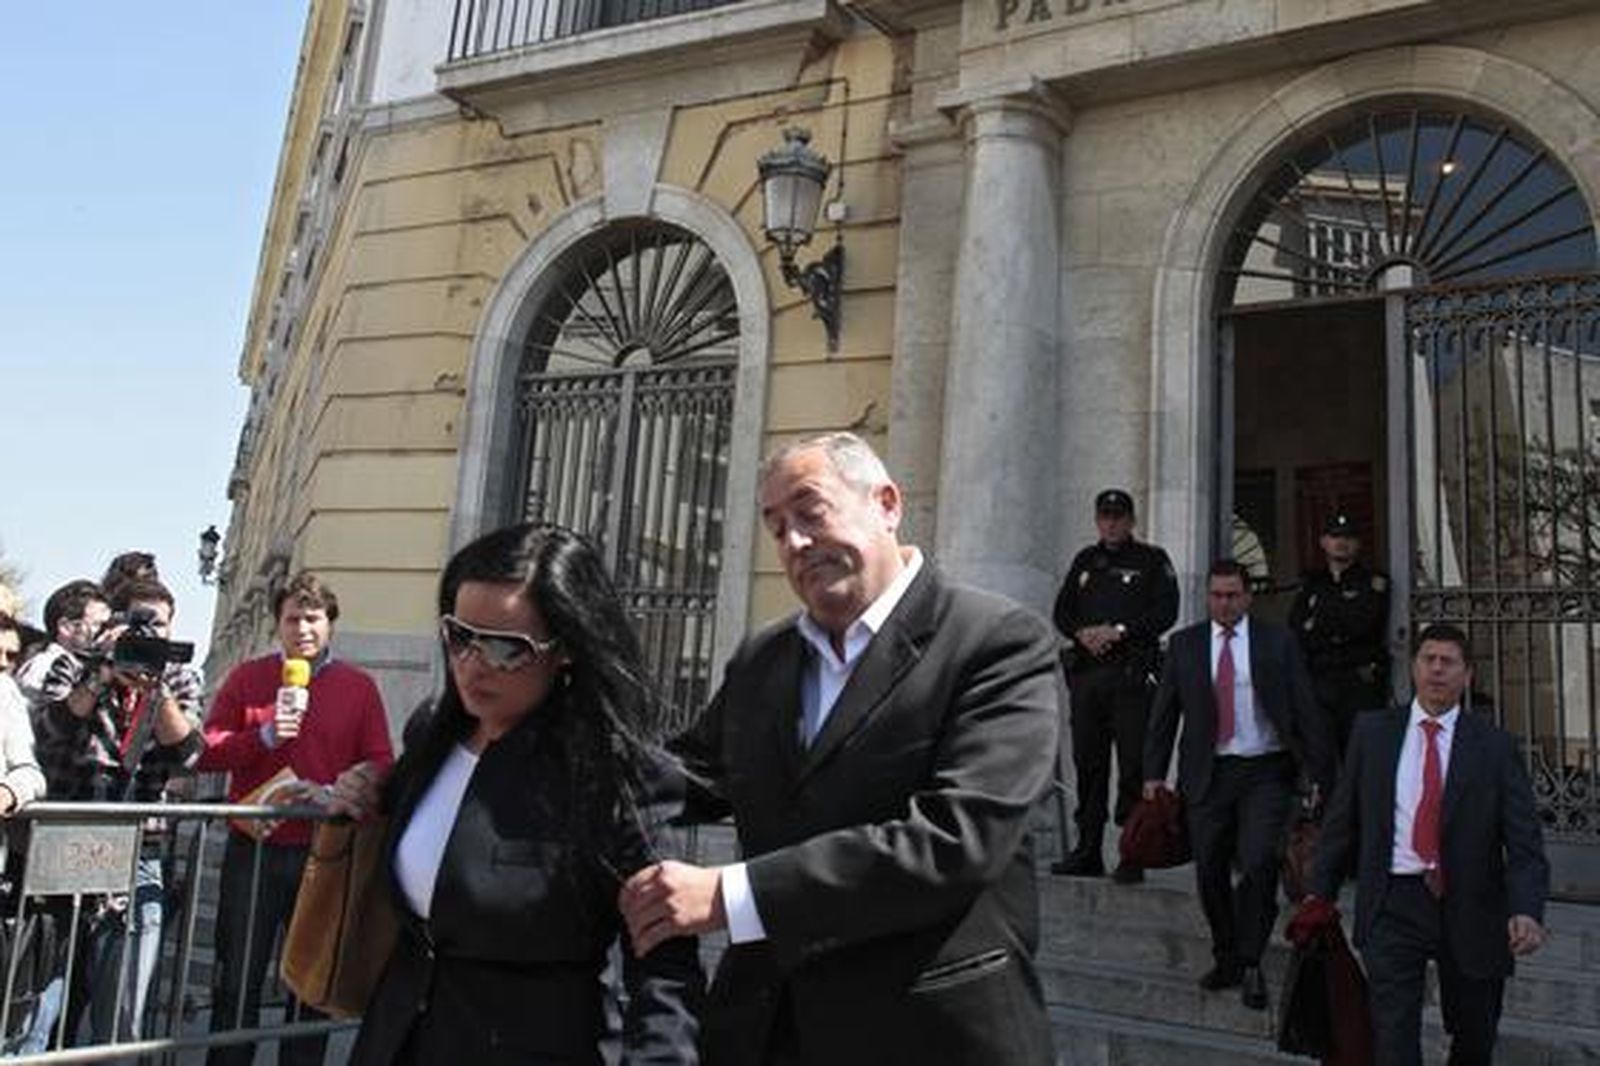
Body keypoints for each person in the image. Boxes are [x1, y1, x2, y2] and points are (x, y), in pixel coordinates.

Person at [619, 432, 1063, 1066]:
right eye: (777, 528)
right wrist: (564, 753)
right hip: (766, 1028)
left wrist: (734, 896)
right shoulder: (763, 658)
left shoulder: (996, 643)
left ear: (887, 504)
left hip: (926, 1035)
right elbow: (689, 775)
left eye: (811, 512)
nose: (795, 542)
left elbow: (958, 840)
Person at [329, 524, 702, 1065]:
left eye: (506, 648)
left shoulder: (614, 776)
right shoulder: (432, 735)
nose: (472, 663)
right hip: (395, 1040)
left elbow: (665, 970)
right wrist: (363, 788)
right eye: (460, 635)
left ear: (566, 649)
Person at [1302, 623, 1548, 1065]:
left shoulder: (1494, 747)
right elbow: (1343, 819)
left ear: (1467, 675)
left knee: (1474, 1037)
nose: (1436, 670)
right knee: (1393, 1035)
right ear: (1413, 668)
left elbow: (1524, 840)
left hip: (1471, 905)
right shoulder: (1373, 733)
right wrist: (1319, 892)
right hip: (1394, 901)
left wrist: (1526, 909)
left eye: (1447, 662)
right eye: (1428, 660)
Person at [197, 571, 393, 1066]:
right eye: (292, 620)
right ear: (277, 625)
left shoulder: (359, 687)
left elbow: (381, 762)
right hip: (254, 851)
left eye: (313, 618)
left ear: (330, 624)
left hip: (325, 853)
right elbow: (207, 750)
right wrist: (263, 737)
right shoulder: (247, 679)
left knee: (311, 982)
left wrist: (337, 790)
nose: (303, 629)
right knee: (238, 977)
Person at [20, 577, 203, 1048]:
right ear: (114, 623)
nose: (147, 634)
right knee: (43, 1001)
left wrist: (156, 691)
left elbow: (188, 753)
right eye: (137, 623)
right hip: (69, 845)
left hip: (141, 849)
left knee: (121, 1015)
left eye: (158, 625)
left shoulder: (179, 679)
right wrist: (100, 675)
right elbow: (48, 735)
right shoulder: (72, 665)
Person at [1143, 558, 1333, 1011]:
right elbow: (1165, 713)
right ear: (1207, 597)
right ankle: (1225, 953)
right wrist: (1152, 774)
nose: (1224, 604)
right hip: (1208, 774)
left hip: (1265, 771)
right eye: (1216, 595)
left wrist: (1324, 774)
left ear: (1248, 597)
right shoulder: (1185, 645)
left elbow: (1305, 708)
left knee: (1258, 861)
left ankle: (1251, 960)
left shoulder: (1277, 642)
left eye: (1232, 595)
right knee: (1209, 867)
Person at [1053, 487, 1179, 882]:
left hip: (1131, 678)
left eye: (1118, 517)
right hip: (1088, 676)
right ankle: (1088, 849)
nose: (1111, 524)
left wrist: (1120, 631)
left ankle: (1132, 853)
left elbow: (1166, 612)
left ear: (1131, 521)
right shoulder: (1085, 561)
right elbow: (1063, 611)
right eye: (1105, 517)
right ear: (1097, 520)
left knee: (1133, 766)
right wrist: (1082, 633)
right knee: (1088, 765)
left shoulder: (1152, 560)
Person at [1288, 513, 1391, 758]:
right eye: (1335, 536)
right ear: (1323, 542)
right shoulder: (1312, 582)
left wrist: (1320, 622)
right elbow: (1296, 627)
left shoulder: (1373, 581)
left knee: (1360, 755)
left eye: (1348, 537)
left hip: (1358, 681)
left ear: (1358, 543)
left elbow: (1364, 625)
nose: (1341, 542)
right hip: (1319, 680)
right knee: (1320, 756)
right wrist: (1338, 621)